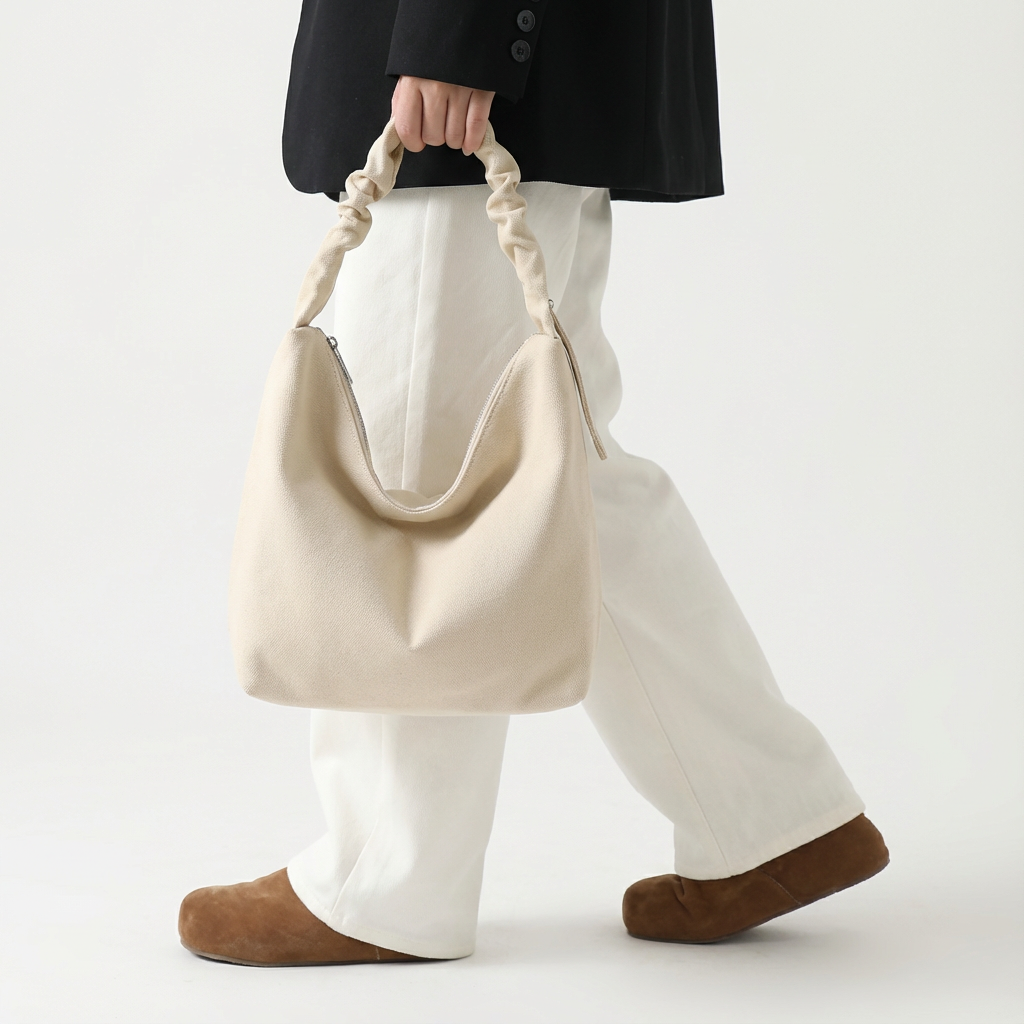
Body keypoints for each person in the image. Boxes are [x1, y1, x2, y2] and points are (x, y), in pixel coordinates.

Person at [178, 0, 888, 966]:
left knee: (420, 463)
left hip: (477, 58)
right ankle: (767, 812)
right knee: (551, 474)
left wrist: (457, 34)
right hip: (534, 54)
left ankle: (385, 881)